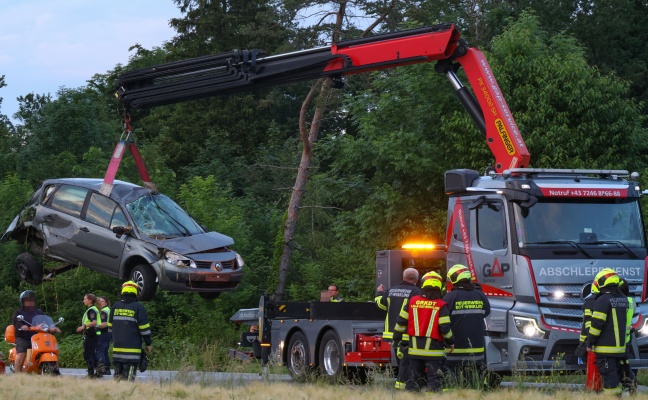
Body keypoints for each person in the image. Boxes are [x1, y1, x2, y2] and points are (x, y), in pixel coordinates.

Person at [393, 274, 454, 392]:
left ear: (423, 285)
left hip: (414, 351)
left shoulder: (412, 301)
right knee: (434, 381)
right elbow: (445, 328)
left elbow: (400, 322)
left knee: (413, 381)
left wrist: (396, 340)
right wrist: (450, 342)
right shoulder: (441, 305)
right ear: (439, 288)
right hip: (434, 352)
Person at [442, 264, 491, 388]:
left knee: (455, 383)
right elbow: (486, 312)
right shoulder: (480, 295)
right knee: (475, 382)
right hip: (477, 350)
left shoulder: (450, 297)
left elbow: (442, 319)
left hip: (455, 350)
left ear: (454, 279)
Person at [375, 267, 421, 389]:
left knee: (401, 361)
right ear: (417, 279)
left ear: (403, 277)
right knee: (410, 362)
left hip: (392, 333)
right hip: (409, 333)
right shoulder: (416, 292)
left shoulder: (391, 291)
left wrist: (379, 293)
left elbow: (381, 305)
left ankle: (403, 385)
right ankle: (408, 384)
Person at [586, 269, 628, 396]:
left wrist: (589, 342)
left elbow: (597, 324)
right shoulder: (623, 298)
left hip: (605, 348)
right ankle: (618, 395)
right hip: (620, 348)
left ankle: (613, 397)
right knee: (616, 375)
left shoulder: (603, 300)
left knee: (609, 378)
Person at [109, 281, 152, 381]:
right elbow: (144, 328)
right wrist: (148, 343)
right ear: (136, 292)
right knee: (129, 378)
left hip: (117, 349)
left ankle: (114, 395)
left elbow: (109, 327)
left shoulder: (115, 306)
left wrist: (112, 340)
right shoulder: (138, 307)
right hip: (132, 351)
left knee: (117, 377)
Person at [12, 290, 60, 373]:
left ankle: (55, 370)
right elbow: (16, 322)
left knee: (50, 350)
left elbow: (44, 322)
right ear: (22, 301)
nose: (30, 302)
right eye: (27, 300)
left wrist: (51, 327)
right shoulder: (19, 312)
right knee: (21, 354)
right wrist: (22, 326)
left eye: (31, 300)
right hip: (24, 337)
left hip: (38, 337)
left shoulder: (38, 312)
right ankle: (18, 374)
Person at [575, 274, 601, 391]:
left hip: (589, 341)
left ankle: (593, 388)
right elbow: (589, 324)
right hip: (592, 341)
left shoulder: (590, 302)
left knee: (592, 368)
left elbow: (587, 324)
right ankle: (594, 388)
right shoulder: (599, 301)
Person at [618, 278, 637, 392]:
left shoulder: (618, 301)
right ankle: (632, 384)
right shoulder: (632, 301)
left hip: (617, 339)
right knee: (626, 363)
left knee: (618, 365)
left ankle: (624, 384)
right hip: (627, 337)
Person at [76, 293, 102, 378]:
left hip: (91, 333)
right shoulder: (92, 309)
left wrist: (83, 326)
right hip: (93, 333)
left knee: (88, 354)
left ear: (90, 300)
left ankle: (91, 374)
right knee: (92, 353)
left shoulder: (92, 310)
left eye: (85, 299)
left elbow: (93, 322)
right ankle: (99, 370)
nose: (83, 301)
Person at [96, 296, 112, 376]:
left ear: (106, 302)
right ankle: (107, 368)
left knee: (100, 350)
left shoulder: (103, 311)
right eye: (99, 301)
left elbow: (104, 324)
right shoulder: (109, 310)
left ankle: (102, 368)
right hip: (109, 333)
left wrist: (95, 325)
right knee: (105, 351)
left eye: (102, 301)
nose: (100, 303)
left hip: (104, 332)